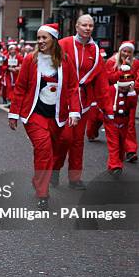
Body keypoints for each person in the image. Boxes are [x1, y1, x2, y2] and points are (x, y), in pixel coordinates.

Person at [8, 23, 82, 210]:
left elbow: (73, 87)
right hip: (35, 115)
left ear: (53, 40)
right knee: (43, 150)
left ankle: (49, 172)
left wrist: (74, 110)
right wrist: (14, 113)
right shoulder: (30, 60)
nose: (40, 41)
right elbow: (21, 88)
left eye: (44, 38)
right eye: (38, 38)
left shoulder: (65, 60)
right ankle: (43, 193)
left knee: (66, 140)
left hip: (59, 115)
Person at [53, 15, 109, 190]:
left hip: (84, 101)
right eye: (84, 25)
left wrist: (107, 107)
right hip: (63, 100)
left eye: (91, 25)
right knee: (64, 139)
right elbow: (49, 67)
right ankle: (54, 170)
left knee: (78, 141)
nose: (87, 28)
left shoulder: (95, 50)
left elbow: (101, 80)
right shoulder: (63, 44)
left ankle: (75, 178)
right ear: (76, 26)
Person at [103, 41, 138, 162]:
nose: (127, 54)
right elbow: (109, 78)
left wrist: (132, 88)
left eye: (129, 52)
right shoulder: (111, 62)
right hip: (114, 96)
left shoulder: (136, 63)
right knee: (108, 122)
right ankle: (92, 133)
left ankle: (131, 150)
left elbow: (137, 80)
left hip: (129, 96)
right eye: (124, 51)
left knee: (130, 123)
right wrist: (122, 71)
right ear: (120, 51)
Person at [104, 70, 137, 177]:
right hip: (111, 121)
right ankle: (115, 166)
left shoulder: (130, 93)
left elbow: (132, 106)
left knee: (122, 144)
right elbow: (104, 102)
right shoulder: (112, 89)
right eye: (122, 88)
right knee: (114, 144)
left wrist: (132, 92)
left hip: (124, 122)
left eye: (126, 88)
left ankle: (114, 164)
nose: (124, 90)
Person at [3, 40, 23, 105]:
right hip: (8, 74)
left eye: (14, 49)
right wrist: (8, 68)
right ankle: (9, 100)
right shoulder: (6, 57)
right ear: (9, 50)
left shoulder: (19, 57)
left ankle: (14, 100)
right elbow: (2, 66)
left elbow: (23, 64)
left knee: (15, 87)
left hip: (16, 74)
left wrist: (18, 68)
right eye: (11, 49)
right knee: (9, 87)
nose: (13, 51)